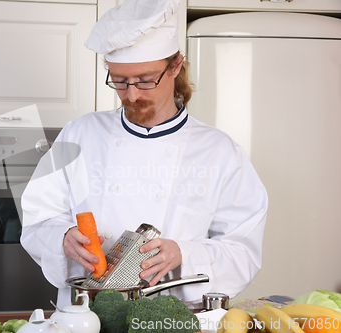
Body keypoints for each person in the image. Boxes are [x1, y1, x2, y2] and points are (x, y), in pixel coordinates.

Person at [20, 0, 268, 308]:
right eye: (120, 81)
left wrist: (185, 254)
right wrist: (63, 237)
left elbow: (243, 250)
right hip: (85, 316)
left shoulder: (220, 153)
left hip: (172, 320)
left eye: (145, 80)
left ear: (175, 65)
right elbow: (36, 218)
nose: (133, 95)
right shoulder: (80, 134)